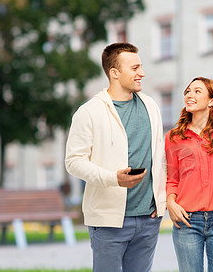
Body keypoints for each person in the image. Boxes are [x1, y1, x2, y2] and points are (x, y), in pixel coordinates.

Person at [65, 42, 166, 272]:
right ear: (115, 73)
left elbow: (159, 156)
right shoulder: (89, 112)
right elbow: (73, 161)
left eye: (140, 66)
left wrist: (160, 201)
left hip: (148, 218)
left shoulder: (151, 106)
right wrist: (113, 178)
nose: (141, 73)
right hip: (109, 221)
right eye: (135, 68)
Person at [165, 77, 213, 272]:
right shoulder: (174, 137)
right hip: (187, 221)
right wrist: (171, 203)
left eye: (197, 91)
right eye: (188, 91)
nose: (190, 95)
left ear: (211, 101)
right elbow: (172, 178)